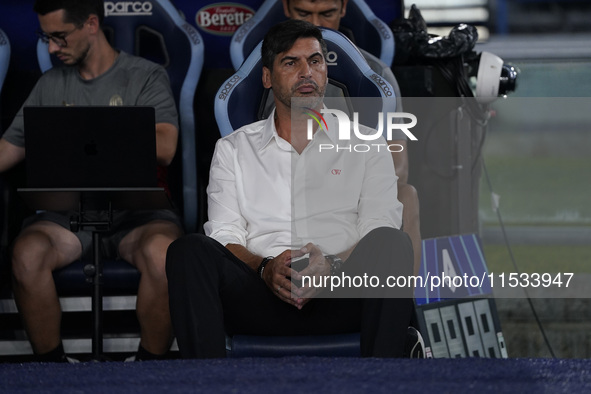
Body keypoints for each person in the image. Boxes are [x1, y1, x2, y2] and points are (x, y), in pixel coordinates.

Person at [166, 19, 417, 359]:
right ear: (267, 77)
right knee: (189, 251)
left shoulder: (367, 144)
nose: (306, 72)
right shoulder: (234, 149)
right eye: (290, 62)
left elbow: (379, 225)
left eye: (315, 61)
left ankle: (385, 381)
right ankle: (207, 383)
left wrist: (329, 265)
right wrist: (265, 267)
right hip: (260, 296)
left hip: (341, 292)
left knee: (392, 241)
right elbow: (225, 235)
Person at [0, 0, 183, 362]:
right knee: (26, 254)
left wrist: (90, 130)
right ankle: (53, 369)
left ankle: (148, 367)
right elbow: (7, 150)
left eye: (60, 37)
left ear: (91, 24)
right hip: (68, 217)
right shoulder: (49, 84)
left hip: (138, 216)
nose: (52, 48)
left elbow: (165, 147)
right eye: (46, 37)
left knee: (166, 257)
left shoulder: (144, 76)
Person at [282, 0, 422, 276]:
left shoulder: (376, 75)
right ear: (286, 8)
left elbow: (399, 167)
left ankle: (403, 311)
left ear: (343, 8)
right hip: (287, 187)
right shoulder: (266, 70)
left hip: (353, 189)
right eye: (303, 13)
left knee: (406, 196)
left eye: (327, 13)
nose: (316, 25)